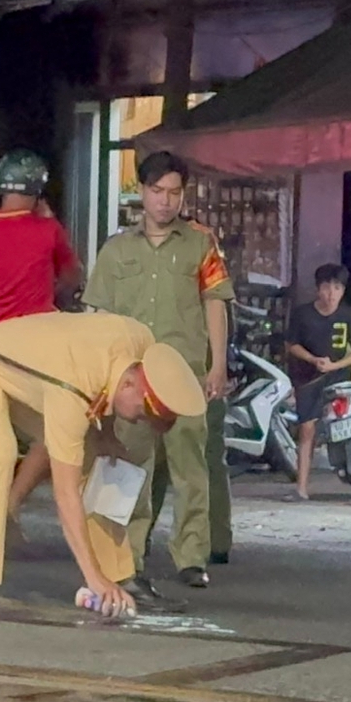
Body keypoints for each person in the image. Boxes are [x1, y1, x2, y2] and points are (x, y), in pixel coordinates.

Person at [0, 309, 207, 620]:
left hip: (29, 377)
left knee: (97, 460)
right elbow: (65, 495)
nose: (141, 421)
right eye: (141, 414)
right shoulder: (73, 390)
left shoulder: (141, 342)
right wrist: (93, 578)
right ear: (129, 385)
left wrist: (107, 435)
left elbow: (106, 383)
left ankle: (124, 577)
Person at [82, 151, 233, 592]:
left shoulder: (201, 245)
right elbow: (97, 315)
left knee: (191, 469)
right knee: (128, 468)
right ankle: (123, 556)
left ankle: (191, 557)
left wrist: (217, 365)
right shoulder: (116, 250)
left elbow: (215, 303)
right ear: (141, 192)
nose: (165, 202)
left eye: (174, 193)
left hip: (186, 376)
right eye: (157, 191)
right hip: (131, 382)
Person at [0, 151, 82, 548]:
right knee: (58, 436)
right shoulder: (47, 232)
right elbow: (74, 277)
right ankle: (10, 504)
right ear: (38, 189)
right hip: (36, 355)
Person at [287, 263, 351, 501]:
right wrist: (313, 359)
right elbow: (291, 345)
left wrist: (336, 365)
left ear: (343, 291)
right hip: (309, 378)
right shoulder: (303, 314)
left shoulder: (348, 315)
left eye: (337, 288)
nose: (331, 294)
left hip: (338, 370)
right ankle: (301, 488)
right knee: (307, 431)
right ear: (317, 289)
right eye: (326, 287)